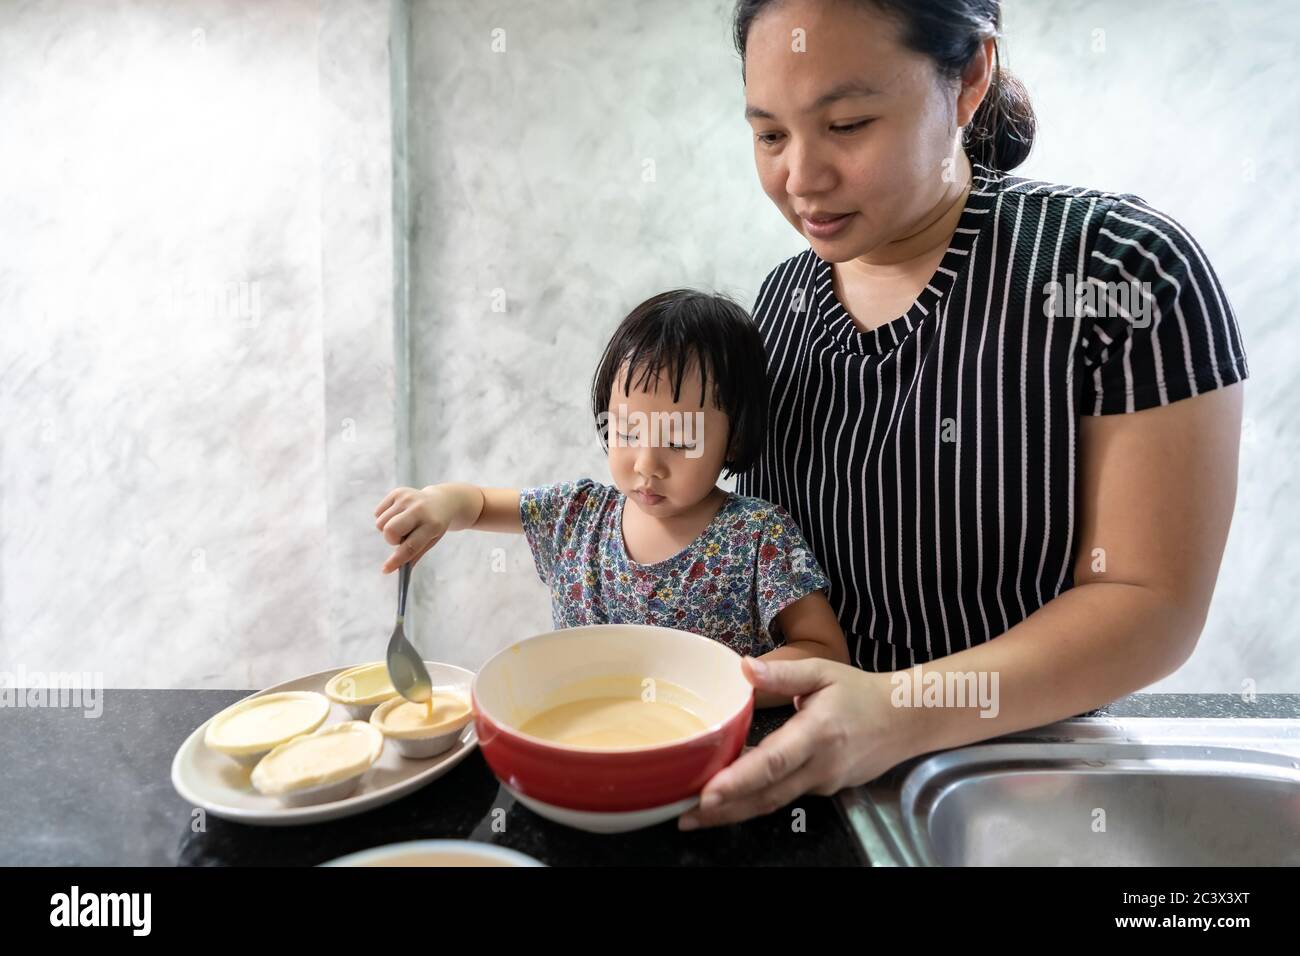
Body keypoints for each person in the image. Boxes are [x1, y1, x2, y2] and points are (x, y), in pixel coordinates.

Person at [675, 0, 1248, 829]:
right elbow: (751, 543)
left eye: (847, 123)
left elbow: (1145, 601)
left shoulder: (1120, 272)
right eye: (769, 135)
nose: (801, 177)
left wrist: (899, 709)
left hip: (1025, 797)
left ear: (970, 75)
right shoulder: (782, 303)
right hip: (796, 783)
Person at [374, 289, 851, 709]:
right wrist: (438, 503)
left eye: (680, 440)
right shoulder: (578, 515)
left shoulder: (757, 537)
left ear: (734, 436)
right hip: (583, 743)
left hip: (707, 757)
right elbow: (476, 503)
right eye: (626, 431)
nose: (647, 463)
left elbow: (824, 651)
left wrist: (724, 682)